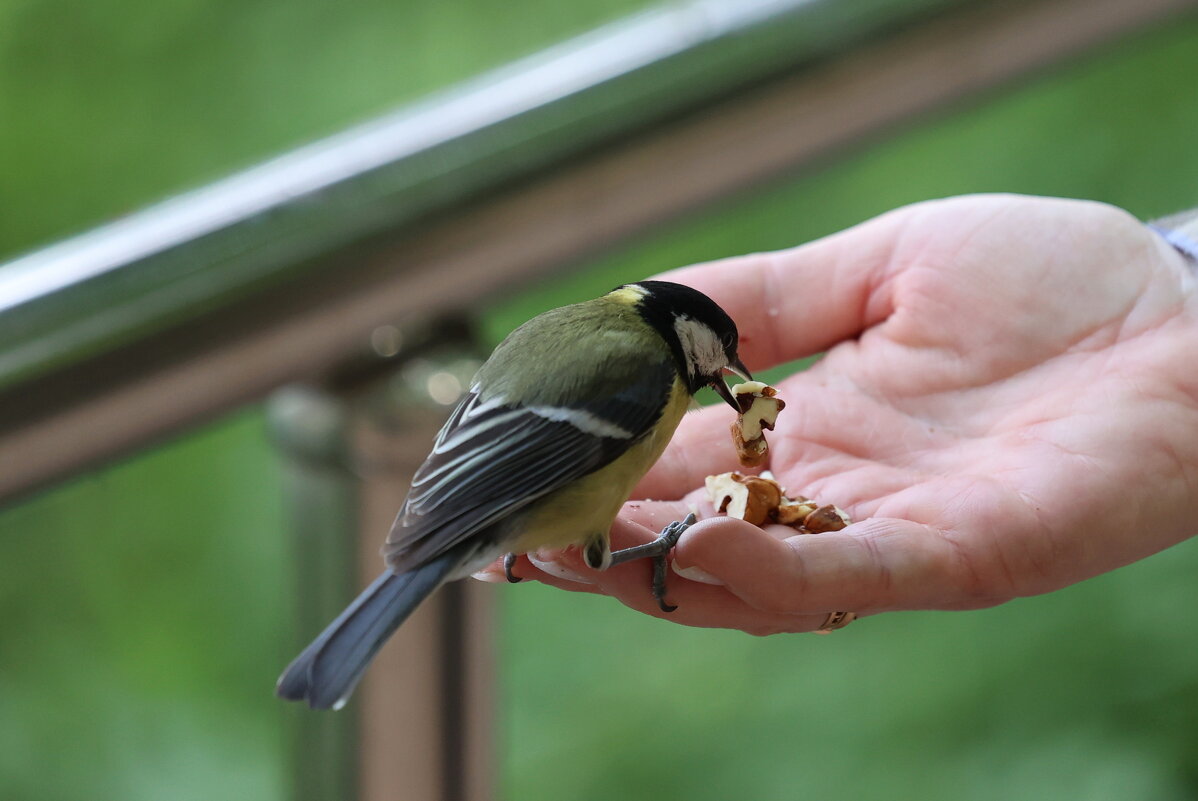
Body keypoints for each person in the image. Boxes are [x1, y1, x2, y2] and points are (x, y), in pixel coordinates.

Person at [475, 193, 1198, 635]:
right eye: (723, 354)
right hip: (500, 500)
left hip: (480, 493)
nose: (730, 376)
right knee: (621, 540)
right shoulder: (645, 366)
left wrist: (1172, 286)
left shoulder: (622, 349)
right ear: (685, 329)